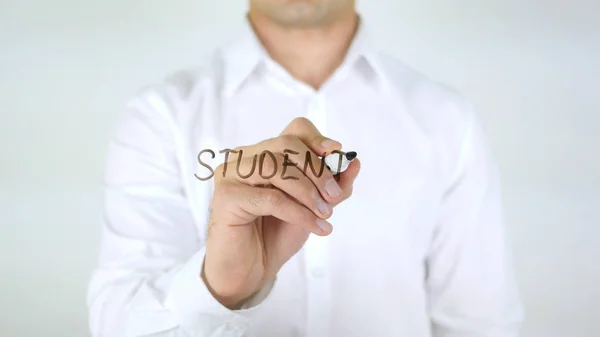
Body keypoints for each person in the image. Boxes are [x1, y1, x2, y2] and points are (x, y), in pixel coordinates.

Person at [86, 0, 524, 336]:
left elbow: (480, 326)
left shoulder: (447, 120)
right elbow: (117, 322)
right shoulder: (160, 116)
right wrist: (218, 285)